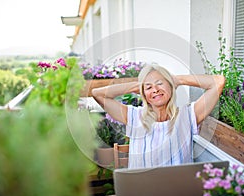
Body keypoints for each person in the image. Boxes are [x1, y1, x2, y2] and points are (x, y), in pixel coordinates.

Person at [92, 63, 225, 169]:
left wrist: (178, 80)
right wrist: (136, 86)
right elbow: (97, 93)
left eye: (160, 83)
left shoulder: (188, 116)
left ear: (170, 86)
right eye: (149, 87)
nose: (155, 90)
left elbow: (218, 82)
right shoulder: (133, 116)